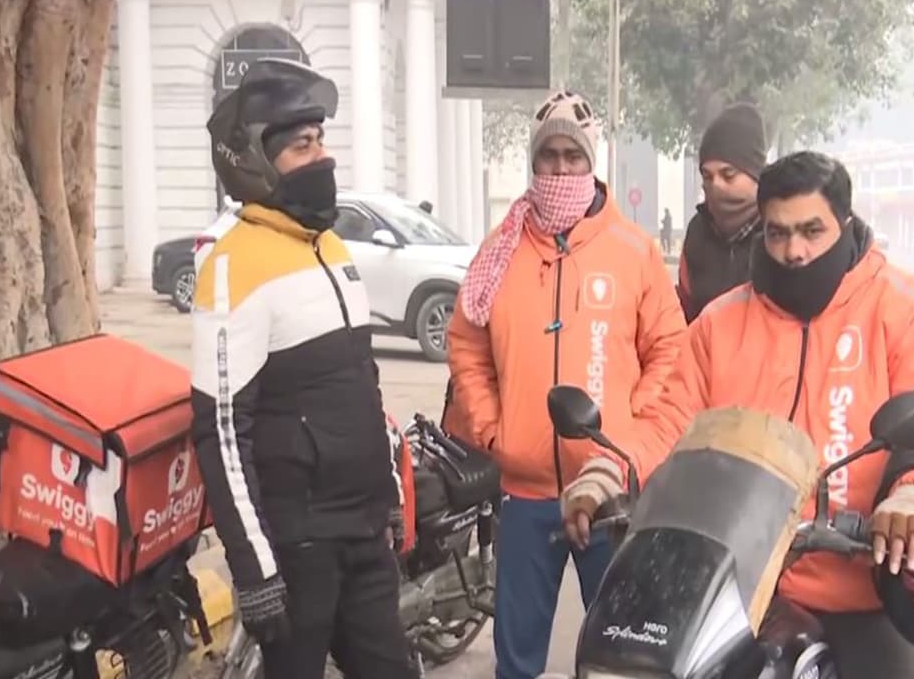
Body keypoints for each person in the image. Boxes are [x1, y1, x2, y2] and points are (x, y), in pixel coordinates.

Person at [562, 151, 914, 678]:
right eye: (779, 233)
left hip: (860, 583)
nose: (795, 250)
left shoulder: (905, 309)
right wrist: (609, 471)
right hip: (731, 587)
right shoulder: (722, 322)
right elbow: (668, 420)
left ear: (844, 225)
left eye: (812, 231)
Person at [445, 89, 687, 679]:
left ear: (591, 161)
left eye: (571, 157)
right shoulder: (498, 254)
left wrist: (627, 435)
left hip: (611, 498)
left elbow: (671, 354)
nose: (559, 169)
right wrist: (492, 429)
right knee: (517, 657)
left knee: (625, 656)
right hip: (525, 495)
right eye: (547, 156)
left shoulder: (634, 251)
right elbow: (467, 348)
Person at [192, 59, 413, 679]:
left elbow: (360, 383)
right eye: (301, 145)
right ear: (256, 163)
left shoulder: (333, 248)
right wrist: (255, 567)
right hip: (297, 549)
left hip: (363, 533)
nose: (322, 158)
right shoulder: (233, 267)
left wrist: (389, 490)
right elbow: (223, 433)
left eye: (322, 140)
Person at [677, 102, 769, 322]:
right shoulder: (697, 232)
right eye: (707, 177)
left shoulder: (779, 232)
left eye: (728, 175)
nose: (716, 185)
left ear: (756, 175)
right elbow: (685, 308)